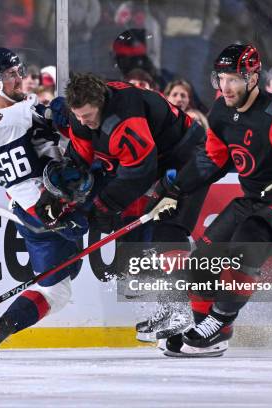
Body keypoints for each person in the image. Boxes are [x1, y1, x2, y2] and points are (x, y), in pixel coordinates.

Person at [150, 44, 272, 357]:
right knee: (201, 262)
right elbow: (212, 160)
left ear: (252, 78)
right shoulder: (222, 112)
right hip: (256, 203)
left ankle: (219, 319)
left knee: (250, 235)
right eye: (221, 78)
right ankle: (212, 334)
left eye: (234, 79)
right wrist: (174, 189)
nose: (225, 86)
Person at [63, 73, 210, 342]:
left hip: (191, 157)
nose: (83, 120)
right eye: (78, 115)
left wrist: (105, 205)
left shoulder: (124, 120)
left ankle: (182, 310)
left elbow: (139, 172)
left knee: (169, 226)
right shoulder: (81, 115)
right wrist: (63, 193)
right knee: (156, 233)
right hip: (161, 160)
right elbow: (79, 159)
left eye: (88, 115)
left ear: (101, 102)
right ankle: (170, 307)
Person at [0, 48, 89, 350]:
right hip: (42, 211)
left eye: (17, 71)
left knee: (66, 275)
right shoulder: (2, 125)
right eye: (9, 75)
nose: (19, 78)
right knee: (56, 292)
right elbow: (23, 183)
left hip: (55, 202)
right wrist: (51, 215)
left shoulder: (19, 107)